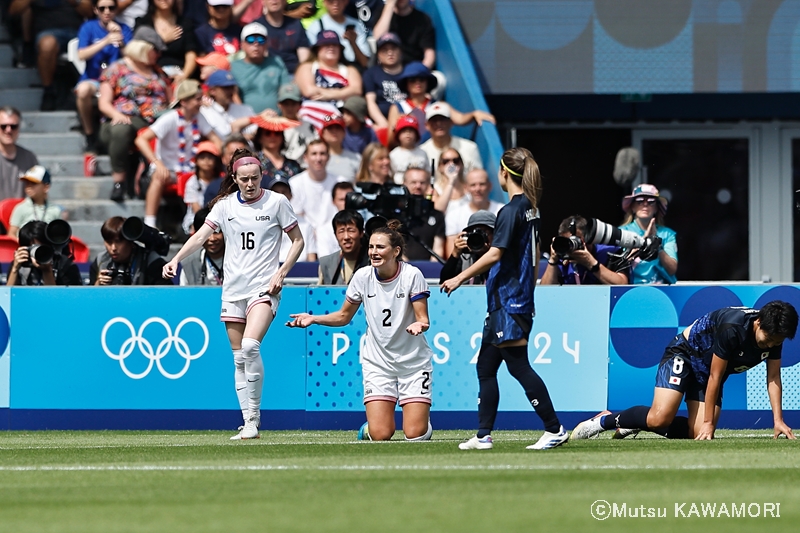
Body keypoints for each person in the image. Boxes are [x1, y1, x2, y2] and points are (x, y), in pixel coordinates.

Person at [163, 148, 304, 440]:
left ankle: (255, 418)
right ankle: (247, 420)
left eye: (254, 178)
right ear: (234, 178)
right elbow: (201, 236)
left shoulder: (277, 202)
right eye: (244, 179)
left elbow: (298, 241)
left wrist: (281, 273)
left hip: (264, 288)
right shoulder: (225, 206)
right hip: (232, 290)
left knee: (251, 347)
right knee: (239, 357)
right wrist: (176, 259)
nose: (250, 184)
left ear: (262, 176)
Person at [441, 147, 568, 451]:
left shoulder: (510, 211)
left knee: (518, 366)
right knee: (485, 367)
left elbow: (496, 253)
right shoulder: (531, 208)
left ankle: (554, 428)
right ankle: (483, 435)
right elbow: (531, 255)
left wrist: (459, 277)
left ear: (503, 173)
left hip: (509, 301)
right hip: (511, 300)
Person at [288, 219, 434, 442]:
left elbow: (423, 319)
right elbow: (344, 316)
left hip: (413, 363)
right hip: (378, 363)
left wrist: (418, 324)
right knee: (380, 435)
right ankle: (371, 428)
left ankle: (422, 425)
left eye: (380, 247)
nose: (374, 252)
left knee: (415, 434)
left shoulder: (412, 275)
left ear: (395, 251)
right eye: (371, 247)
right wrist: (314, 318)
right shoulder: (362, 276)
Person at [570, 301, 799, 441]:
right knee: (659, 418)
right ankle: (604, 421)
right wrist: (710, 422)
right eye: (768, 339)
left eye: (776, 342)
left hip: (707, 370)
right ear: (758, 323)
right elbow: (715, 377)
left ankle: (637, 423)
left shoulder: (775, 334)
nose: (770, 345)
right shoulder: (733, 328)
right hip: (686, 353)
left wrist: (778, 420)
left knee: (696, 433)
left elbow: (773, 378)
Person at [134, 79, 220, 229]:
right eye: (197, 99)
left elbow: (216, 139)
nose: (201, 103)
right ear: (184, 102)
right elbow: (141, 139)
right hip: (168, 169)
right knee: (158, 177)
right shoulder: (170, 118)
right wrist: (157, 162)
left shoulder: (199, 118)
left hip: (191, 169)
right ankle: (150, 223)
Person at [98, 29, 171, 202]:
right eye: (156, 50)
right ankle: (119, 182)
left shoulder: (159, 72)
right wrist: (116, 114)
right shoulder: (117, 69)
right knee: (121, 130)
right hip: (124, 118)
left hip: (154, 120)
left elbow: (169, 100)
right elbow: (104, 103)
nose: (159, 55)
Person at [8, 0, 92, 110]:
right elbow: (13, 11)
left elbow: (89, 12)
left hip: (78, 31)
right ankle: (48, 92)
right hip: (48, 31)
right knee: (47, 45)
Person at [76, 0, 133, 154]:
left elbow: (132, 57)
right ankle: (89, 134)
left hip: (117, 81)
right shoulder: (88, 27)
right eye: (102, 8)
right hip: (93, 79)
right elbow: (81, 54)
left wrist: (119, 40)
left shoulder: (124, 29)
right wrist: (106, 40)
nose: (107, 11)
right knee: (82, 91)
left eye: (111, 8)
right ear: (95, 10)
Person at [294, 30, 363, 130]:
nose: (331, 47)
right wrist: (343, 92)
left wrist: (327, 94)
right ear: (317, 49)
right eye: (326, 44)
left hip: (344, 115)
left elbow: (357, 90)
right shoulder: (307, 67)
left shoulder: (349, 70)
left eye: (335, 45)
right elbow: (309, 91)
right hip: (313, 113)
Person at [540, 215, 630, 286]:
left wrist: (591, 263)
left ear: (589, 238)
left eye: (576, 239)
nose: (571, 246)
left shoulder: (610, 253)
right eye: (567, 241)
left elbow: (622, 285)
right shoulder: (561, 256)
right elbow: (544, 293)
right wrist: (552, 261)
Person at [288, 139, 345, 248]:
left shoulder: (340, 182)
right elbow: (297, 216)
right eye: (314, 154)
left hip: (334, 238)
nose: (318, 158)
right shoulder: (295, 183)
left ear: (328, 157)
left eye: (322, 154)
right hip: (306, 239)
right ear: (305, 157)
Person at [619, 183, 678, 284]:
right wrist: (643, 241)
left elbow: (672, 269)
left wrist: (657, 245)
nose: (645, 204)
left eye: (651, 201)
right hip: (630, 289)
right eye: (639, 200)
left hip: (661, 290)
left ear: (656, 208)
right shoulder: (621, 232)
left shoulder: (668, 234)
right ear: (632, 207)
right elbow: (617, 265)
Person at [90, 216, 173, 285]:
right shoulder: (100, 261)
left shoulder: (151, 262)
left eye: (118, 242)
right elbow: (89, 299)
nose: (113, 248)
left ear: (130, 241)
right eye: (109, 242)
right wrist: (98, 284)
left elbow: (166, 297)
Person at [229, 22, 291, 113]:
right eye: (250, 40)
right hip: (248, 121)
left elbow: (286, 90)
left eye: (261, 40)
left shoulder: (276, 62)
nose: (256, 44)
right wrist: (245, 116)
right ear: (242, 44)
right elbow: (233, 95)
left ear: (267, 44)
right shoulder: (233, 66)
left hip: (275, 119)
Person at [135, 0, 199, 85]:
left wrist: (184, 75)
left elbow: (191, 53)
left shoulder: (185, 23)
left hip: (179, 73)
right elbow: (138, 52)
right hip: (150, 75)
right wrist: (162, 40)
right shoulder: (143, 23)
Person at [6, 220, 82, 286]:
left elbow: (57, 300)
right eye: (31, 248)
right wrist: (15, 270)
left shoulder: (64, 264)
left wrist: (47, 270)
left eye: (41, 248)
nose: (36, 252)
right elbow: (7, 297)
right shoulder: (21, 264)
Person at [445, 168, 503, 253]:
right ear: (466, 188)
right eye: (473, 185)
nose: (477, 189)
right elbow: (451, 252)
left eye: (482, 184)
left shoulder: (502, 211)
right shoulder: (454, 215)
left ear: (490, 186)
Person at [305, 0, 371, 68]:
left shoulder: (357, 25)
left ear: (346, 2)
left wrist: (353, 42)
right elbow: (311, 59)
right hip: (326, 69)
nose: (336, 4)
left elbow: (365, 63)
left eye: (340, 1)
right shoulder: (315, 27)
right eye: (331, 1)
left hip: (353, 68)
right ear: (324, 2)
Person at [420, 102, 483, 172]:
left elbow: (478, 178)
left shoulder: (470, 148)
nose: (439, 124)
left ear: (451, 122)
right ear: (426, 125)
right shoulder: (421, 152)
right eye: (434, 120)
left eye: (443, 119)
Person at [252, 0, 310, 74]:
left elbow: (304, 59)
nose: (274, 1)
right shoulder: (256, 27)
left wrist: (301, 76)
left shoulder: (296, 24)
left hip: (294, 74)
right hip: (268, 74)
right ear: (263, 1)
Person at [267, 176, 317, 262]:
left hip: (300, 270)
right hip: (273, 270)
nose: (279, 196)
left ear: (290, 195)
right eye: (275, 192)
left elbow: (311, 256)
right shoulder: (263, 222)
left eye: (283, 192)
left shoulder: (305, 224)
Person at [372, 0, 433, 69]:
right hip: (387, 69)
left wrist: (420, 72)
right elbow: (378, 37)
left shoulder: (422, 19)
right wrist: (390, 4)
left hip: (411, 70)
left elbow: (429, 54)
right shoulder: (382, 13)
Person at [402, 164, 444, 262]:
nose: (418, 186)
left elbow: (438, 249)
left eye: (422, 182)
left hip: (427, 269)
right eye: (413, 182)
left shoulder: (437, 215)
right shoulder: (395, 215)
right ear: (404, 184)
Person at [440, 210, 495, 285]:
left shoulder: (501, 256)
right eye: (475, 233)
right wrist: (455, 255)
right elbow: (444, 282)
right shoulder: (465, 257)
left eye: (485, 232)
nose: (479, 237)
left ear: (495, 234)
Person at [8, 165, 63, 238]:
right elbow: (11, 234)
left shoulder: (55, 210)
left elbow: (59, 235)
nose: (29, 187)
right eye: (27, 183)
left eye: (33, 183)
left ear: (46, 187)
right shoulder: (20, 208)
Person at [363, 32, 404, 129]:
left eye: (393, 49)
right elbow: (370, 102)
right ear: (378, 55)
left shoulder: (410, 71)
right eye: (384, 50)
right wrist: (384, 125)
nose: (390, 53)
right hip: (382, 122)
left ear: (400, 52)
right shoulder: (371, 74)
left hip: (408, 120)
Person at [200, 69, 256, 139]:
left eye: (232, 87)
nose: (230, 91)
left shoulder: (245, 109)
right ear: (212, 91)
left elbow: (256, 132)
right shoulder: (204, 113)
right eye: (226, 88)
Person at [318, 209, 369, 284]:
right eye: (341, 231)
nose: (346, 237)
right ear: (335, 235)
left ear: (361, 233)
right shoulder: (326, 263)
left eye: (351, 230)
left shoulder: (371, 262)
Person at [182, 141, 223, 233]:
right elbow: (196, 210)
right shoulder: (192, 183)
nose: (206, 161)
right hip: (197, 219)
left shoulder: (221, 180)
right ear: (196, 161)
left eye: (210, 158)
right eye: (202, 157)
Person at [0, 106, 38, 202]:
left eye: (13, 126)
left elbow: (39, 194)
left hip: (23, 214)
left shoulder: (29, 158)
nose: (8, 130)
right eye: (3, 126)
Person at [180, 207, 225, 285]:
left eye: (217, 232)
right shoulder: (188, 263)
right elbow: (183, 294)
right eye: (207, 234)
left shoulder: (239, 260)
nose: (212, 238)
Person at [203, 134, 251, 205]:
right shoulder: (214, 188)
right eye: (232, 153)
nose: (236, 156)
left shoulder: (264, 183)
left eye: (241, 152)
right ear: (223, 158)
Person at [277, 83, 318, 163]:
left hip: (305, 166)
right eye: (286, 104)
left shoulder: (308, 125)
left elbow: (316, 146)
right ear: (279, 104)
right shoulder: (273, 126)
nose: (290, 108)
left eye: (293, 103)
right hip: (282, 167)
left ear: (300, 104)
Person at [317, 180, 354, 256]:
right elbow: (325, 262)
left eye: (349, 199)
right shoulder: (323, 230)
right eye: (342, 199)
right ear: (333, 201)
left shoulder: (366, 225)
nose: (346, 203)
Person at [319, 114, 360, 181]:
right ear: (323, 133)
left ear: (344, 133)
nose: (334, 131)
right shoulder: (316, 158)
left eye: (338, 128)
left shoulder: (356, 158)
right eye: (330, 128)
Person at [389, 115, 426, 184]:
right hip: (398, 189)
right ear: (398, 135)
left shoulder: (422, 153)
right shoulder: (393, 154)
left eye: (411, 131)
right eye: (404, 131)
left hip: (418, 187)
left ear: (416, 135)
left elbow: (427, 173)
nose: (408, 134)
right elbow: (390, 175)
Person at [432, 146, 467, 214]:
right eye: (446, 161)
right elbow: (438, 211)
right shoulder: (435, 189)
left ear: (461, 164)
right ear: (440, 167)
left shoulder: (470, 187)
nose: (451, 164)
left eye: (456, 161)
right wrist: (451, 182)